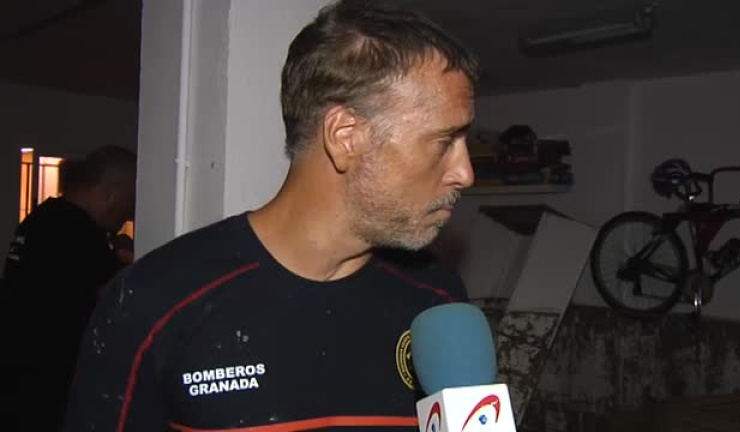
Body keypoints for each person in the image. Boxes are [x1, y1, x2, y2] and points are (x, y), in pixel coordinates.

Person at [62, 0, 478, 430]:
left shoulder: (438, 302)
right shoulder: (154, 301)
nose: (465, 173)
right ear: (345, 137)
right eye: (444, 141)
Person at [0, 145, 137, 431]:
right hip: (45, 378)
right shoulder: (77, 229)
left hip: (19, 369)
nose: (128, 215)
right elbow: (116, 295)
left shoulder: (43, 217)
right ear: (108, 193)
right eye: (128, 202)